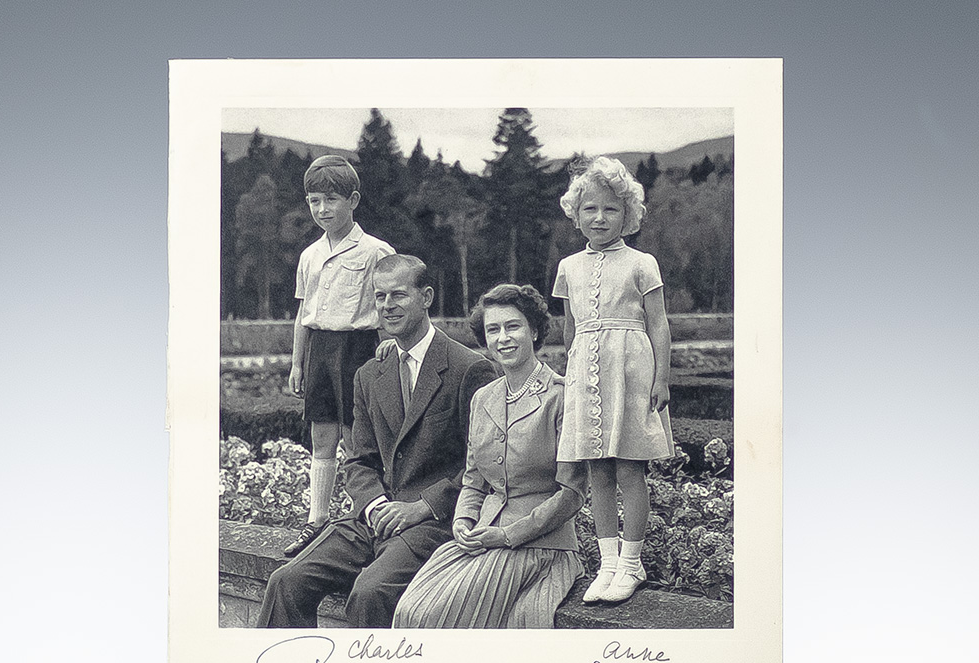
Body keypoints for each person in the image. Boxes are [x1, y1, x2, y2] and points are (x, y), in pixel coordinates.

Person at [257, 254, 498, 628]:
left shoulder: (469, 368)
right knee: (285, 581)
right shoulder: (369, 374)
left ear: (426, 297)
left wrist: (421, 507)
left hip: (430, 523)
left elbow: (480, 467)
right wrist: (373, 505)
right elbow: (359, 460)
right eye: (380, 296)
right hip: (372, 518)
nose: (387, 306)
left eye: (398, 295)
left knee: (370, 593)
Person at [393, 284, 587, 629]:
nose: (503, 338)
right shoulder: (483, 398)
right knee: (409, 609)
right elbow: (474, 480)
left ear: (536, 331)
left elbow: (571, 494)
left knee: (429, 616)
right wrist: (462, 521)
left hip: (540, 547)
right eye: (493, 330)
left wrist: (508, 535)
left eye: (513, 326)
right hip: (482, 539)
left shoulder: (562, 397)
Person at [553, 156, 674, 604]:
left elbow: (659, 324)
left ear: (629, 214)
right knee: (597, 470)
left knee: (629, 467)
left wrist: (662, 377)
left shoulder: (643, 263)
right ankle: (606, 564)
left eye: (611, 209)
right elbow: (570, 330)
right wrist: (569, 379)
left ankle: (631, 563)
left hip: (631, 368)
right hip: (587, 371)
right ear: (576, 213)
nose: (600, 218)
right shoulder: (568, 267)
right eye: (590, 209)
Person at [282, 155, 395, 558]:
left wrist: (391, 343)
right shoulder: (310, 255)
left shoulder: (375, 251)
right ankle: (316, 521)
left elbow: (390, 303)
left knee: (356, 437)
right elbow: (303, 314)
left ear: (353, 200)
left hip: (358, 349)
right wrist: (297, 362)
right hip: (319, 351)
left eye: (331, 199)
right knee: (322, 434)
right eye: (314, 201)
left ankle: (356, 520)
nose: (322, 209)